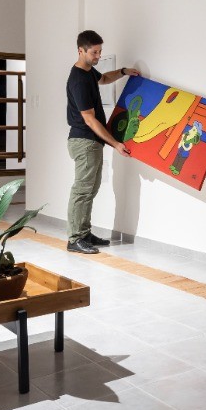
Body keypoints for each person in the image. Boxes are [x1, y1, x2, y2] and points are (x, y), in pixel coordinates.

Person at [66, 30, 139, 254]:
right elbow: (89, 119)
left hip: (92, 141)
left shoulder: (88, 72)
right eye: (94, 52)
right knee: (82, 190)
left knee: (91, 189)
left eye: (100, 52)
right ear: (81, 51)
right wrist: (115, 143)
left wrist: (124, 72)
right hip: (84, 140)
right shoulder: (78, 79)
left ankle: (84, 233)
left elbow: (105, 79)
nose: (98, 56)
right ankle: (75, 239)